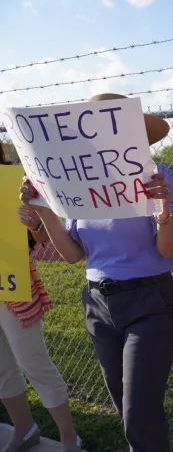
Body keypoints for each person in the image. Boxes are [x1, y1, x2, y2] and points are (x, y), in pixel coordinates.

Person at [18, 93, 173, 452]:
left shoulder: (161, 177)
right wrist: (43, 209)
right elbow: (73, 255)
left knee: (139, 412)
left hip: (151, 303)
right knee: (125, 410)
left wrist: (163, 207)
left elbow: (168, 250)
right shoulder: (80, 186)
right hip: (98, 305)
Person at [0, 143, 81, 452]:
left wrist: (33, 224)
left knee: (32, 362)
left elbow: (41, 235)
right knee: (1, 366)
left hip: (14, 284)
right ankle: (24, 428)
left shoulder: (15, 179)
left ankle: (68, 436)